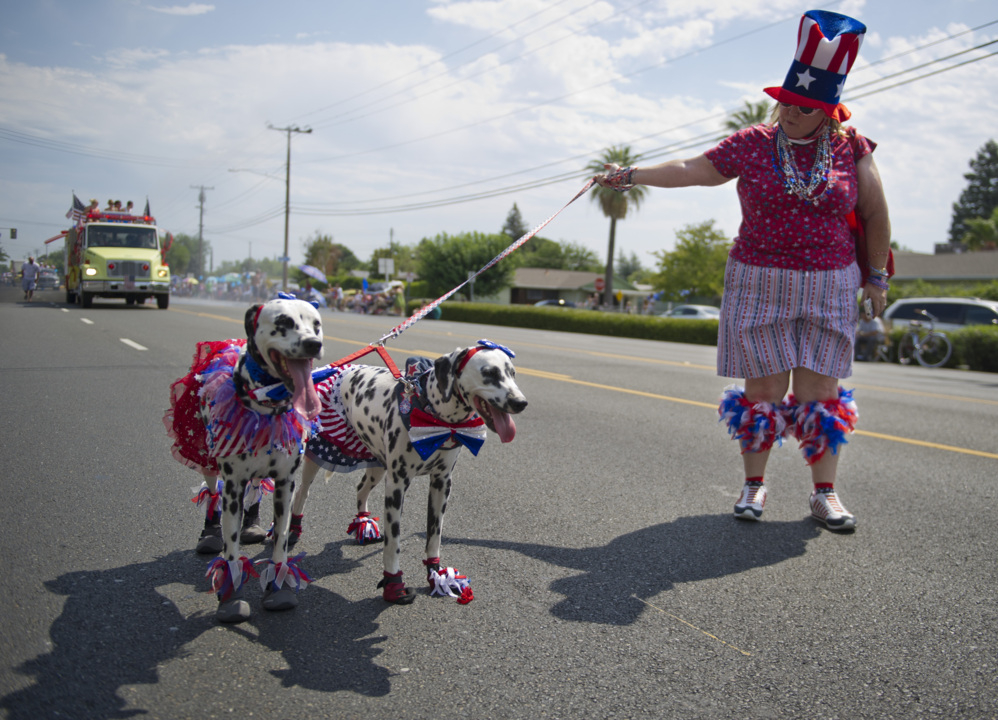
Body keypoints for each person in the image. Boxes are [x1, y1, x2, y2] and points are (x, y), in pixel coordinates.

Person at [594, 10, 890, 532]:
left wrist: (876, 278)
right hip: (760, 279)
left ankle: (825, 494)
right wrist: (630, 174)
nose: (789, 112)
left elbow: (874, 213)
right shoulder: (753, 142)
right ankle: (754, 485)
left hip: (830, 282)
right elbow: (692, 171)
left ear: (828, 111)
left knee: (821, 393)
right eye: (784, 102)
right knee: (763, 391)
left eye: (803, 107)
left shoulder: (852, 149)